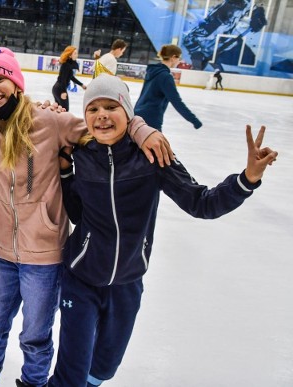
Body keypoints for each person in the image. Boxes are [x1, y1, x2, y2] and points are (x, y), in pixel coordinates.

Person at [0, 21, 172, 387]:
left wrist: (140, 127)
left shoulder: (49, 121)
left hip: (44, 254)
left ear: (15, 83)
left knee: (36, 333)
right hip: (3, 252)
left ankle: (33, 382)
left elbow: (103, 128)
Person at [48, 74, 277, 387]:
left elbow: (201, 203)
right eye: (94, 108)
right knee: (70, 371)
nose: (102, 114)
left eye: (111, 106)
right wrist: (65, 174)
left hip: (127, 281)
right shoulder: (81, 156)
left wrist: (247, 178)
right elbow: (77, 212)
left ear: (128, 113)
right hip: (81, 277)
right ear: (85, 115)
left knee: (103, 367)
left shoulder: (152, 156)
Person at [134, 44, 202, 131]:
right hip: (151, 119)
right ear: (173, 57)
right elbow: (177, 102)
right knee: (155, 144)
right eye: (179, 58)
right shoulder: (165, 76)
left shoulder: (153, 71)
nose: (179, 61)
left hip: (138, 113)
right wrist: (194, 120)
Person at [52, 45, 86, 112]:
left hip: (57, 88)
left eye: (77, 53)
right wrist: (63, 91)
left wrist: (81, 84)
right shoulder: (66, 65)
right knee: (65, 110)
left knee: (60, 109)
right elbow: (63, 79)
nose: (77, 55)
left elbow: (71, 77)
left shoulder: (68, 64)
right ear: (70, 55)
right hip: (60, 89)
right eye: (75, 53)